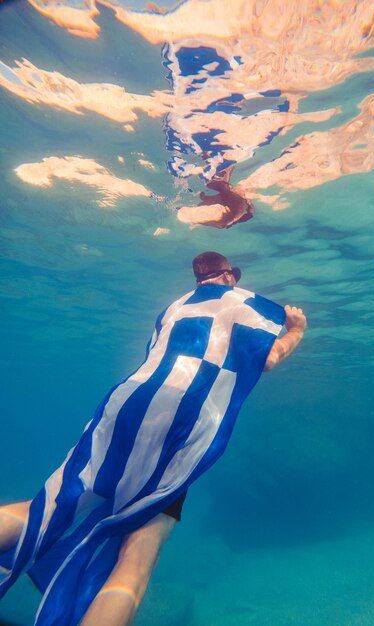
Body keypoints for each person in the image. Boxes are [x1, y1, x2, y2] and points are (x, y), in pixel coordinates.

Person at [0, 251, 306, 626]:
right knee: (137, 558)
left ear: (198, 279)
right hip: (182, 421)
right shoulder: (242, 300)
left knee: (47, 506)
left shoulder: (172, 308)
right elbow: (270, 358)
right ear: (229, 276)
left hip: (123, 405)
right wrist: (295, 329)